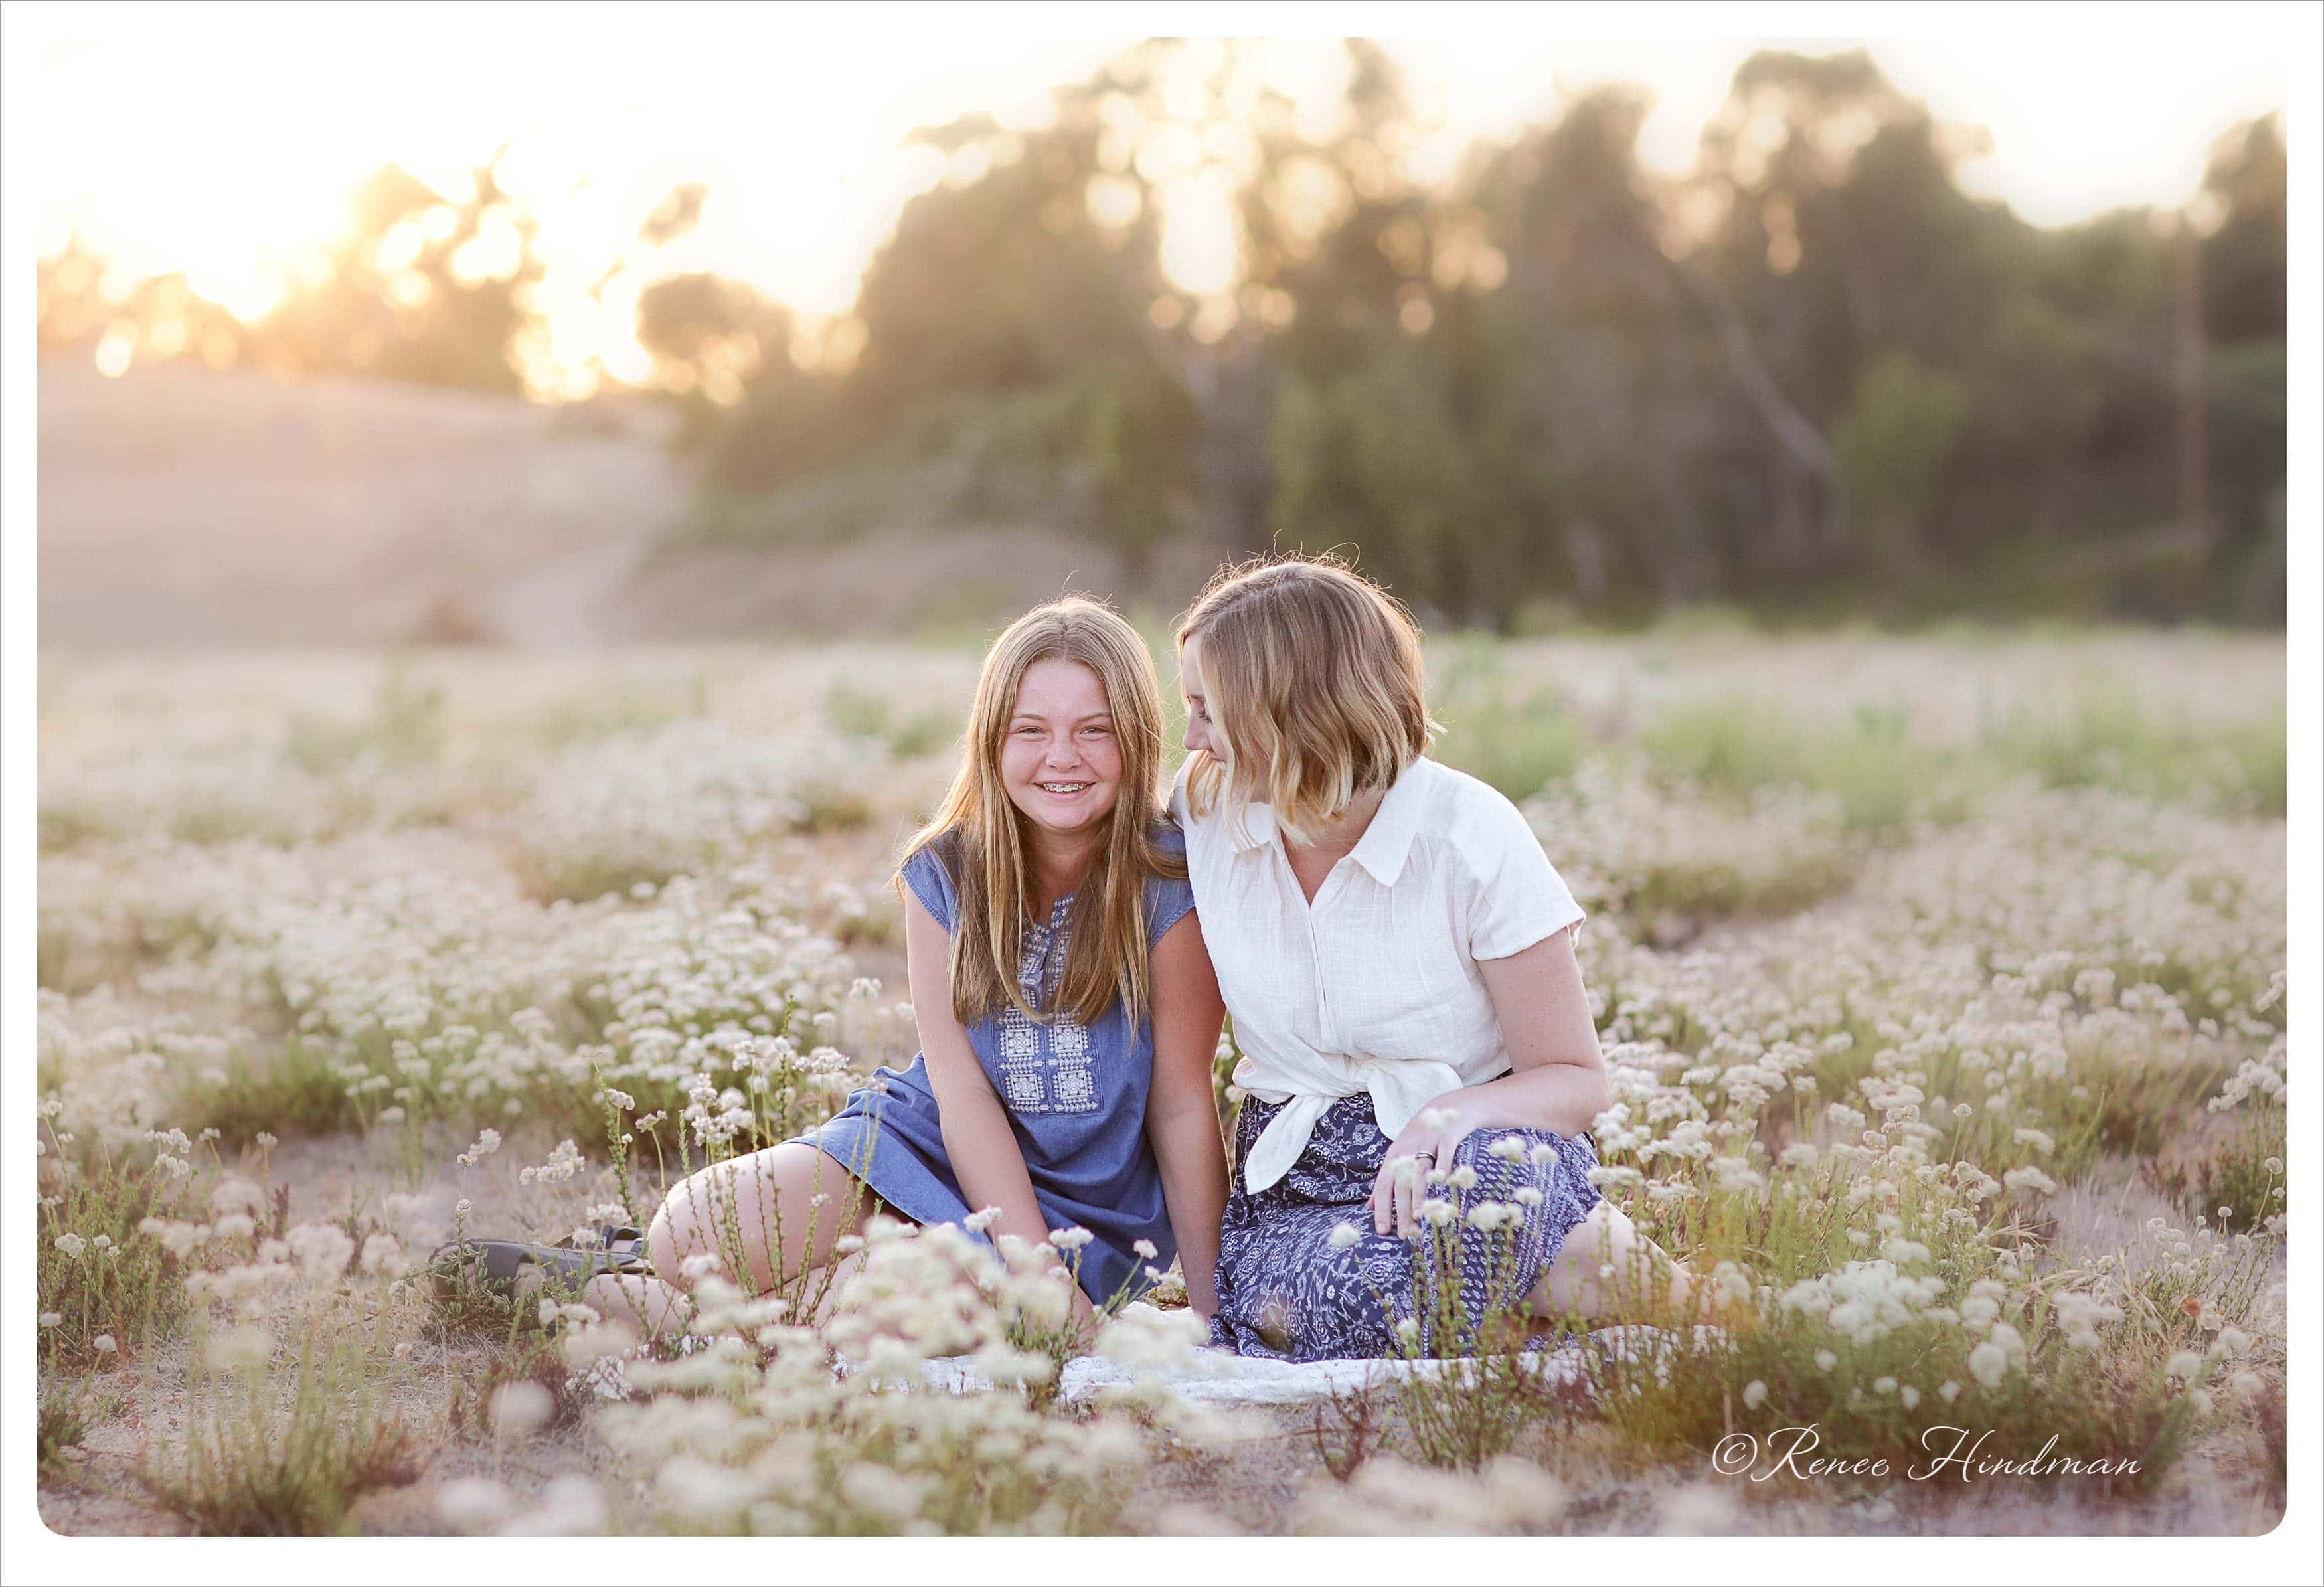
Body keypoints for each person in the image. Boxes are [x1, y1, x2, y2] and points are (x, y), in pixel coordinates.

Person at [587, 598, 1229, 1341]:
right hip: (920, 1147)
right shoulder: (946, 871)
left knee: (890, 1309)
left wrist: (1215, 1315)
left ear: (1137, 738)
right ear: (990, 741)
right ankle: (704, 1298)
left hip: (1079, 1209)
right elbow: (959, 1095)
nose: (1062, 756)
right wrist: (1033, 1282)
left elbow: (1180, 1103)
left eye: (1094, 730)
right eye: (1031, 730)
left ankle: (662, 1313)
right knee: (689, 1233)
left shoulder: (1167, 882)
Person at [1170, 554, 1706, 1361]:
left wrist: (1440, 1118)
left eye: (1208, 711)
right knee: (1323, 1300)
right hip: (1298, 1180)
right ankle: (1570, 1278)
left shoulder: (1469, 833)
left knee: (1476, 1216)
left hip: (1468, 1142)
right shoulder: (1205, 809)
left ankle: (1556, 1282)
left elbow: (1574, 1078)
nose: (1190, 739)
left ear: (1289, 711)